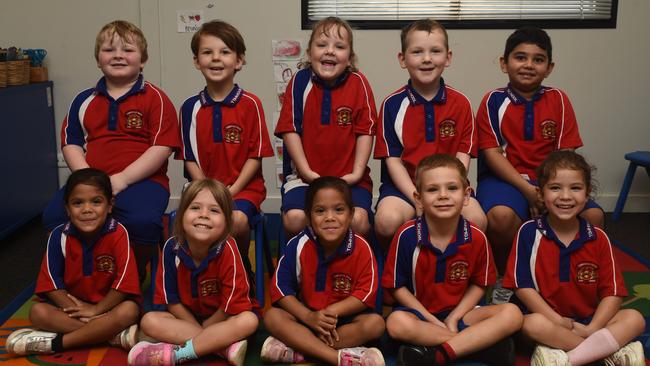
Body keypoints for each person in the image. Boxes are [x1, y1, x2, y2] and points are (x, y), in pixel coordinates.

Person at [42, 20, 181, 284]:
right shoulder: (84, 100)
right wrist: (87, 180)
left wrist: (123, 179)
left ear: (143, 60)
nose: (118, 55)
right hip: (90, 181)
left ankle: (133, 275)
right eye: (109, 50)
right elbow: (71, 142)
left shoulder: (156, 99)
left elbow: (161, 147)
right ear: (98, 59)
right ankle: (72, 275)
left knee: (143, 222)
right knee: (53, 216)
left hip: (143, 182)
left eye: (127, 49)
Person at [475, 27, 604, 285]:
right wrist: (527, 190)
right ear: (504, 63)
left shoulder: (559, 99)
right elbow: (492, 154)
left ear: (549, 67)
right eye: (520, 57)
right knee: (501, 217)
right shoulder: (493, 101)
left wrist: (550, 190)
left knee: (594, 216)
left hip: (552, 180)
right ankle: (507, 277)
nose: (529, 65)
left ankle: (578, 278)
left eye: (538, 59)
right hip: (505, 181)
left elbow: (566, 154)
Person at [503, 150, 645, 366]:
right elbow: (522, 287)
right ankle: (605, 352)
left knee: (635, 318)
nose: (566, 196)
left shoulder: (598, 238)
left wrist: (594, 327)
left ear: (587, 194)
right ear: (540, 194)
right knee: (530, 324)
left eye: (575, 188)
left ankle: (568, 359)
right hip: (547, 321)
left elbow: (613, 293)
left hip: (587, 322)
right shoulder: (528, 232)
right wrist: (556, 320)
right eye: (555, 188)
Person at [382, 154, 523, 366]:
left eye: (452, 188)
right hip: (420, 316)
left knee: (513, 314)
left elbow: (480, 283)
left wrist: (455, 317)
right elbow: (396, 287)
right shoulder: (406, 235)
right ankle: (477, 347)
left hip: (463, 315)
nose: (443, 196)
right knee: (395, 323)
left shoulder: (476, 236)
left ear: (466, 196)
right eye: (432, 190)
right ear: (418, 199)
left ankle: (433, 353)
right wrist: (430, 319)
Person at [374, 18, 486, 251]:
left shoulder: (461, 103)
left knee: (477, 219)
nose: (427, 59)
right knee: (386, 222)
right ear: (402, 59)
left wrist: (447, 190)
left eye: (435, 51)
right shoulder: (391, 105)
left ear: (448, 57)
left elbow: (462, 156)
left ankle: (457, 273)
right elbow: (392, 160)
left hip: (450, 186)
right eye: (417, 52)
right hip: (405, 189)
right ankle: (392, 270)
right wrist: (418, 196)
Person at [6, 168, 141, 356]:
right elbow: (51, 284)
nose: (87, 209)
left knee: (129, 310)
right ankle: (111, 336)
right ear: (67, 208)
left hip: (108, 308)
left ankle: (58, 343)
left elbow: (125, 284)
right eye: (78, 203)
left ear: (110, 205)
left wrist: (96, 310)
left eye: (96, 202)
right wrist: (78, 310)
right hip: (72, 309)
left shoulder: (118, 233)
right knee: (38, 313)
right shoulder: (58, 236)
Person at [127, 179, 258, 366]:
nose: (204, 215)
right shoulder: (171, 248)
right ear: (181, 215)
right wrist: (202, 332)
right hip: (186, 319)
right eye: (195, 208)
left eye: (214, 210)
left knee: (249, 321)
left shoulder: (228, 248)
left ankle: (178, 354)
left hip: (223, 320)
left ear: (227, 222)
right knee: (149, 321)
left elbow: (230, 307)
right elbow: (172, 302)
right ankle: (222, 348)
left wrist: (204, 328)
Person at [263, 177, 385, 366]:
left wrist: (330, 313)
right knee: (272, 317)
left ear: (351, 214)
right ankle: (337, 358)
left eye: (339, 210)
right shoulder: (298, 245)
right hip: (306, 318)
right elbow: (280, 289)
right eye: (320, 211)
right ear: (309, 216)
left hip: (343, 323)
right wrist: (309, 317)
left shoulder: (361, 247)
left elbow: (365, 293)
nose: (330, 217)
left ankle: (300, 349)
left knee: (376, 324)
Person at [274, 17, 378, 239]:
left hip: (349, 180)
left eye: (339, 47)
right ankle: (305, 268)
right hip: (304, 179)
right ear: (310, 52)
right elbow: (290, 130)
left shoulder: (359, 83)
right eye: (322, 45)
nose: (330, 51)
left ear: (349, 58)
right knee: (295, 219)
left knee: (358, 221)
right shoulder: (299, 82)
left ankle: (356, 268)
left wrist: (357, 173)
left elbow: (365, 131)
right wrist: (306, 172)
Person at [178, 20, 273, 260]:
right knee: (183, 221)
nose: (216, 58)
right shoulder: (190, 107)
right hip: (201, 188)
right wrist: (208, 191)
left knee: (237, 221)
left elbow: (256, 156)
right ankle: (200, 273)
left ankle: (238, 270)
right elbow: (188, 158)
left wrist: (231, 191)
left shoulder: (251, 104)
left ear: (239, 61)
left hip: (242, 189)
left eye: (225, 52)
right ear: (196, 61)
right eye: (207, 52)